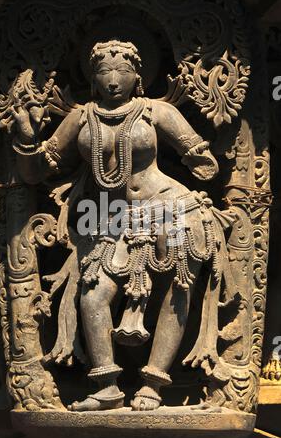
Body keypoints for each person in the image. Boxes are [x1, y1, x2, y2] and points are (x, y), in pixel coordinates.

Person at [12, 40, 230, 412]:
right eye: (104, 72)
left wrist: (199, 157)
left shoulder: (154, 111)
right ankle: (106, 386)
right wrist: (27, 140)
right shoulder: (81, 117)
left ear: (138, 76)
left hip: (169, 208)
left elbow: (205, 163)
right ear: (93, 77)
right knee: (93, 295)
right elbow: (35, 172)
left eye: (123, 71)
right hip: (109, 219)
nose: (114, 80)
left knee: (176, 290)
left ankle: (154, 385)